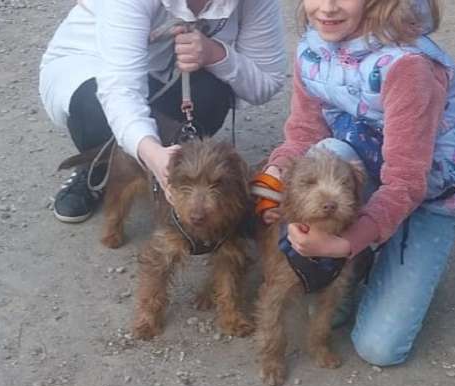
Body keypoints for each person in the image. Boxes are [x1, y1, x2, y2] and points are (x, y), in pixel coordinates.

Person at [257, 0, 455, 366]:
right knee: (326, 156)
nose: (327, 8)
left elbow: (407, 182)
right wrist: (272, 177)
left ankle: (382, 253)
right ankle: (359, 255)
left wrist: (345, 243)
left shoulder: (408, 66)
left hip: (429, 194)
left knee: (380, 348)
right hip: (365, 170)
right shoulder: (313, 49)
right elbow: (304, 133)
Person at [39, 0, 286, 222]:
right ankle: (98, 166)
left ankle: (186, 174)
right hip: (93, 67)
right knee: (95, 109)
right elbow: (120, 89)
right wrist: (153, 153)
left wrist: (216, 54)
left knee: (212, 91)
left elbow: (266, 83)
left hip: (170, 78)